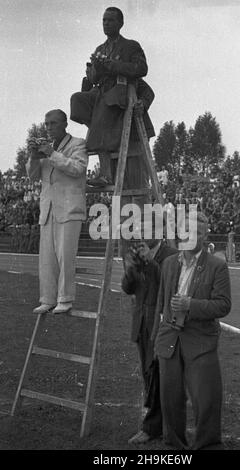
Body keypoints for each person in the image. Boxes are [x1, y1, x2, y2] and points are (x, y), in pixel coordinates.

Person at [152, 211, 231, 450]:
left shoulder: (217, 265)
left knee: (206, 399)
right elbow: (160, 304)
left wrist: (190, 305)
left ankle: (208, 445)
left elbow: (224, 305)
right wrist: (158, 338)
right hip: (170, 340)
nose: (190, 236)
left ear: (205, 235)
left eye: (196, 232)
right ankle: (174, 445)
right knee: (170, 399)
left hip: (200, 341)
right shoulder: (168, 263)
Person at [70, 6, 155, 190]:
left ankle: (106, 174)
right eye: (104, 20)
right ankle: (103, 130)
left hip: (119, 93)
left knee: (103, 110)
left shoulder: (131, 46)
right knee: (77, 100)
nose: (106, 23)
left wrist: (113, 65)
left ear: (120, 23)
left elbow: (141, 69)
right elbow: (93, 79)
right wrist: (95, 70)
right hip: (101, 94)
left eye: (110, 20)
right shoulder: (100, 48)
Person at [26, 109, 88, 315]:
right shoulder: (46, 148)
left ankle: (65, 298)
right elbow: (33, 176)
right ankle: (48, 298)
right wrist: (34, 156)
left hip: (69, 208)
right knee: (47, 258)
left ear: (64, 125)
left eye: (53, 123)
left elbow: (77, 169)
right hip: (48, 209)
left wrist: (51, 154)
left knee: (65, 255)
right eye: (46, 124)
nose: (49, 128)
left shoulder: (78, 144)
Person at [121, 235, 177, 444]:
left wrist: (150, 262)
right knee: (148, 372)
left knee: (157, 373)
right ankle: (158, 421)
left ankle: (153, 426)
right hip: (141, 323)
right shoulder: (135, 254)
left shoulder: (170, 255)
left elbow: (167, 285)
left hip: (160, 324)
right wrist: (132, 268)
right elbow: (127, 288)